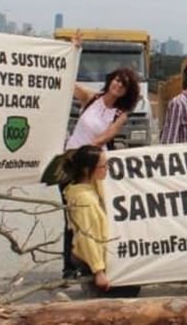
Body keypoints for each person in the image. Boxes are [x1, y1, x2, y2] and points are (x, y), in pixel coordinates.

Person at [60, 66, 140, 278]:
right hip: (70, 164)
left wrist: (85, 152)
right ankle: (69, 265)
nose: (118, 85)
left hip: (93, 167)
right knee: (71, 216)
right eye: (117, 80)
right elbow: (68, 82)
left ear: (127, 91)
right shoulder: (91, 98)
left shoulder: (120, 115)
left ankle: (94, 262)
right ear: (110, 80)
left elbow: (106, 137)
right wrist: (72, 50)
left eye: (124, 84)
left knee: (95, 215)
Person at [63, 145, 139, 297]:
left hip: (103, 257)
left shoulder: (88, 187)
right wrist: (98, 271)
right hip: (91, 261)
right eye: (103, 166)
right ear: (86, 170)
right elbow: (88, 238)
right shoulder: (85, 200)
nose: (106, 169)